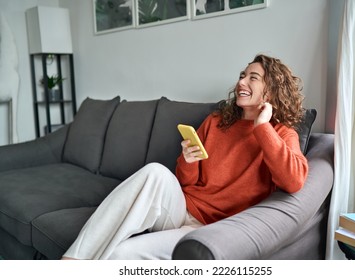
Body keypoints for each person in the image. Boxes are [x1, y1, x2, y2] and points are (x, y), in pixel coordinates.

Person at [61, 53, 308, 260]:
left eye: (253, 77)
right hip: (181, 208)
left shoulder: (281, 134)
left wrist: (262, 127)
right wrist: (188, 162)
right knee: (155, 171)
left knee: (120, 255)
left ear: (272, 89)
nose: (242, 82)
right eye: (242, 75)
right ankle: (71, 262)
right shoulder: (217, 121)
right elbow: (186, 183)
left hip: (212, 230)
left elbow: (293, 181)